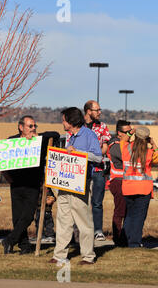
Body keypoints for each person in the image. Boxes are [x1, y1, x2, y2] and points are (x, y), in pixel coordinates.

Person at [50, 107, 102, 265]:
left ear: (71, 121)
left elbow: (98, 157)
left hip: (81, 183)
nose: (62, 122)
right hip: (66, 183)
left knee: (83, 221)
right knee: (63, 220)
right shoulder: (70, 137)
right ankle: (59, 255)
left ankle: (88, 256)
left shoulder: (88, 135)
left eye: (64, 119)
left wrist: (78, 152)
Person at [2, 115, 60, 254]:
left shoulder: (39, 140)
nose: (33, 128)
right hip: (16, 185)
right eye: (30, 126)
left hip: (33, 185)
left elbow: (56, 135)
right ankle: (25, 246)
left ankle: (9, 240)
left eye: (35, 126)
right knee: (17, 217)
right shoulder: (12, 141)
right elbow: (2, 160)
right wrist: (7, 178)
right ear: (21, 127)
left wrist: (37, 135)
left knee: (28, 216)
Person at [121, 126, 158, 248]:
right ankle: (134, 243)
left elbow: (123, 140)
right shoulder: (149, 153)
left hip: (128, 188)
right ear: (146, 138)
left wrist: (129, 132)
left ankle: (125, 241)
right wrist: (153, 144)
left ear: (136, 136)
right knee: (139, 217)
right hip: (144, 190)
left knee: (129, 215)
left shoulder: (125, 148)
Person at [83, 100, 111, 241]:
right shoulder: (78, 126)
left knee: (97, 202)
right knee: (82, 201)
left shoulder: (102, 126)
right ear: (89, 111)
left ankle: (98, 230)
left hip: (98, 168)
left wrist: (97, 156)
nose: (100, 112)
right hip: (81, 169)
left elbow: (105, 145)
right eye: (97, 110)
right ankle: (82, 229)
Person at [107, 120, 133, 246]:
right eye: (127, 132)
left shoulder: (128, 143)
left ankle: (125, 236)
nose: (130, 134)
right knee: (120, 211)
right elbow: (125, 156)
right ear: (119, 133)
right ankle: (117, 238)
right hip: (118, 181)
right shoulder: (115, 144)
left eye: (131, 131)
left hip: (128, 181)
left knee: (128, 211)